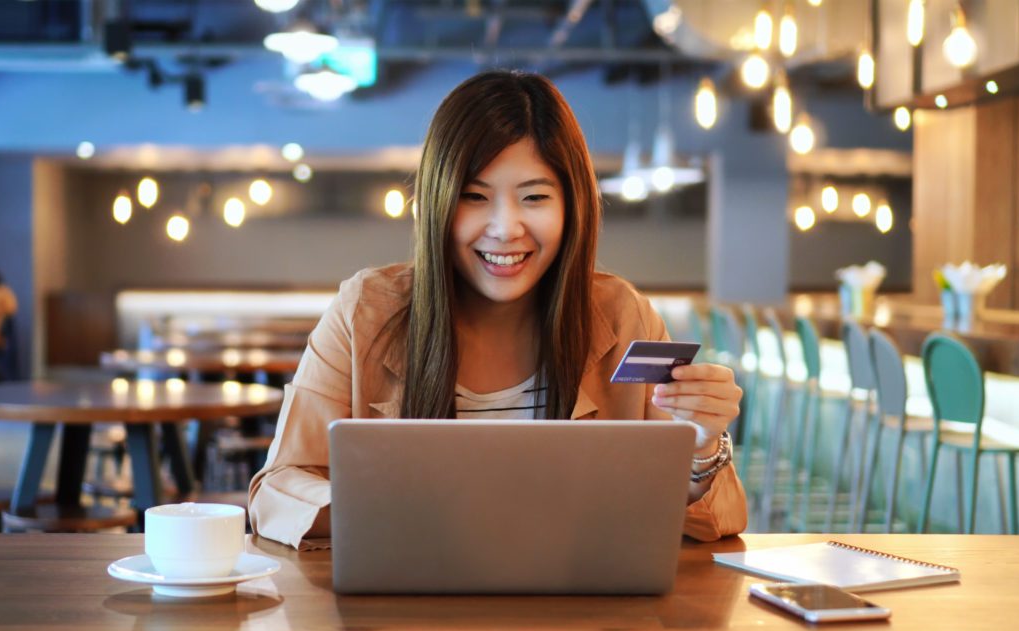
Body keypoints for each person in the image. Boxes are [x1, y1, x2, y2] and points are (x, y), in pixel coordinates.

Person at [249, 71, 747, 547]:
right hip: (405, 614)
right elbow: (277, 489)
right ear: (437, 203)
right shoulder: (366, 312)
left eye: (534, 196)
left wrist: (703, 444)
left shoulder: (623, 317)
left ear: (572, 206)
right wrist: (378, 508)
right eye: (474, 196)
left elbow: (719, 520)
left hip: (583, 614)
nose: (506, 228)